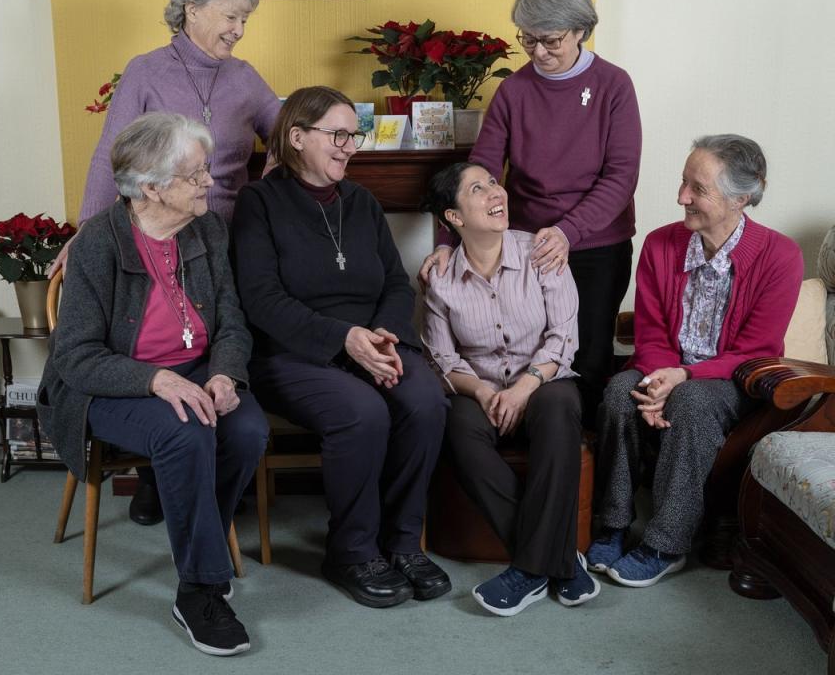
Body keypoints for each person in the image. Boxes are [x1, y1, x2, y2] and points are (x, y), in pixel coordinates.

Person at [51, 0, 281, 525]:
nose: (239, 30)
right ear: (193, 10)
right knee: (153, 340)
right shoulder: (146, 71)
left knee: (218, 341)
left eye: (245, 19)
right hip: (159, 230)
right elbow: (113, 159)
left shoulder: (246, 77)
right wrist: (86, 236)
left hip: (225, 239)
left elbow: (289, 133)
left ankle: (211, 475)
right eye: (232, 17)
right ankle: (162, 472)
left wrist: (269, 189)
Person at [37, 113, 268, 656]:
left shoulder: (207, 229)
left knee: (248, 429)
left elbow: (232, 321)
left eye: (205, 170)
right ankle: (200, 591)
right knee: (184, 434)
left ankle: (199, 542)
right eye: (194, 175)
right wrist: (156, 379)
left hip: (195, 370)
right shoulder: (98, 244)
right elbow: (75, 357)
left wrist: (225, 373)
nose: (209, 183)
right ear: (150, 188)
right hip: (109, 385)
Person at [230, 86, 451, 608]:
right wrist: (343, 339)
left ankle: (401, 545)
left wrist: (386, 335)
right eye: (338, 135)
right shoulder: (258, 202)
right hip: (291, 352)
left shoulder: (362, 201)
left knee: (425, 401)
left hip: (372, 341)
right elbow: (260, 300)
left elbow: (396, 284)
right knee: (361, 411)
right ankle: (351, 550)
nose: (350, 145)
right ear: (298, 137)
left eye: (355, 135)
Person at [418, 0, 641, 428]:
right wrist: (447, 241)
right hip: (524, 246)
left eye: (551, 40)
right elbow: (476, 172)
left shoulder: (613, 85)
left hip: (597, 244)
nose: (539, 52)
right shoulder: (513, 91)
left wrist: (567, 231)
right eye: (528, 39)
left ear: (581, 29)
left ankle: (590, 481)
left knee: (591, 357)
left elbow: (621, 177)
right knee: (528, 360)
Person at [587, 134, 803, 587]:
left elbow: (757, 348)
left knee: (691, 402)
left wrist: (683, 376)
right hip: (662, 365)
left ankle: (667, 544)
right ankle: (612, 524)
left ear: (741, 197)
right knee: (616, 395)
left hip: (731, 380)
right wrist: (659, 373)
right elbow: (649, 331)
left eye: (697, 188)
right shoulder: (660, 244)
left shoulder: (780, 255)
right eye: (684, 183)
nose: (681, 197)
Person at [420, 162, 599, 617]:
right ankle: (557, 561)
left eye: (493, 183)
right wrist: (481, 392)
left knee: (561, 408)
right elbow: (443, 359)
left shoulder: (541, 253)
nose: (494, 193)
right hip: (480, 392)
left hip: (542, 383)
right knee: (454, 423)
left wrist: (523, 388)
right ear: (454, 218)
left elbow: (564, 338)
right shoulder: (439, 280)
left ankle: (528, 568)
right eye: (477, 189)